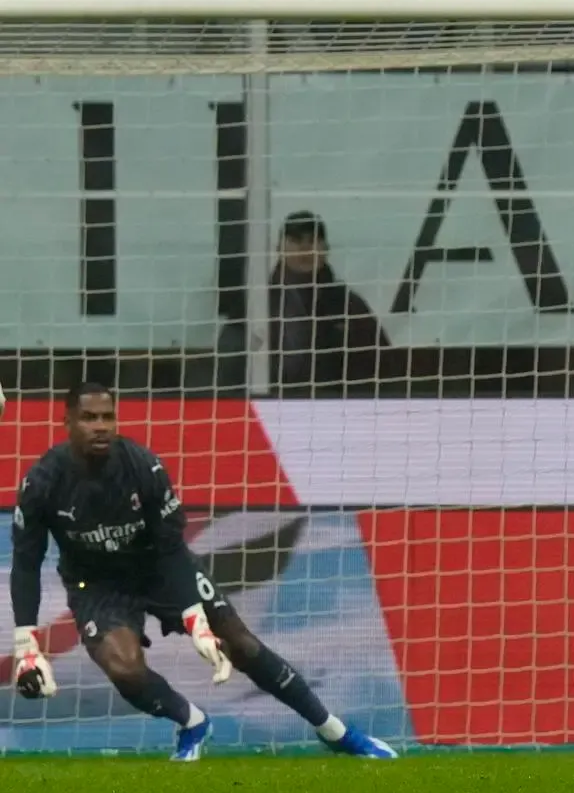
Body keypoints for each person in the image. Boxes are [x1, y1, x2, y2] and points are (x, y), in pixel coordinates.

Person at [10, 383, 397, 761]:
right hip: (96, 585)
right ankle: (192, 721)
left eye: (108, 417)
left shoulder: (144, 467)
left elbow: (172, 549)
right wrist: (27, 644)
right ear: (67, 422)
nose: (100, 426)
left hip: (159, 569)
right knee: (122, 667)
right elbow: (26, 564)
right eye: (89, 418)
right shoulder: (42, 483)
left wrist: (195, 620)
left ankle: (335, 731)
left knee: (241, 645)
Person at [269, 211, 390, 394]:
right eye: (295, 240)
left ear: (325, 249)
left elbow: (382, 362)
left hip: (337, 409)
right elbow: (231, 359)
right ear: (279, 248)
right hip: (268, 407)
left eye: (313, 240)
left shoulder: (348, 305)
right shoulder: (258, 302)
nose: (305, 248)